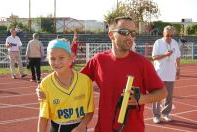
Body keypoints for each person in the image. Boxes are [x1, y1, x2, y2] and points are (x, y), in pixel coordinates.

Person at [37, 16, 167, 132]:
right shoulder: (99, 60)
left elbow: (162, 92)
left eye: (133, 33)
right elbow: (73, 80)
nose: (129, 37)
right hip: (103, 129)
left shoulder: (142, 63)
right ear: (111, 34)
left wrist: (141, 99)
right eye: (124, 32)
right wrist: (44, 88)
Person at [37, 39, 94, 132]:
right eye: (52, 58)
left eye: (61, 57)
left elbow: (90, 111)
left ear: (71, 58)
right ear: (48, 59)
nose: (57, 62)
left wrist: (82, 126)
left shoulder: (85, 81)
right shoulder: (45, 84)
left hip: (80, 128)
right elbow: (43, 117)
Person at [152, 25, 181, 124]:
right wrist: (165, 55)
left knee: (169, 96)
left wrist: (178, 68)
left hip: (170, 73)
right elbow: (154, 57)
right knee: (157, 95)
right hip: (159, 73)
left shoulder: (175, 43)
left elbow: (178, 57)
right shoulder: (158, 43)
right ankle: (156, 115)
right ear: (163, 34)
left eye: (171, 35)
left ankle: (166, 114)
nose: (169, 37)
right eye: (167, 35)